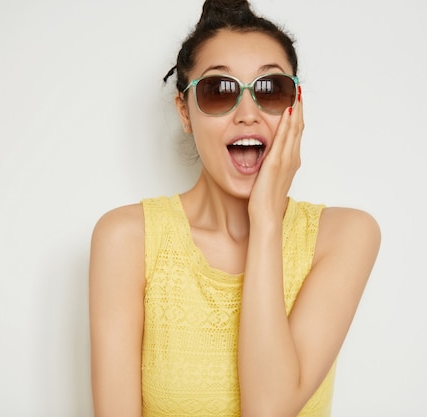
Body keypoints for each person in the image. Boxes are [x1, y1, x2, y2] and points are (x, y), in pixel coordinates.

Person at [89, 0, 380, 415]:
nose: (247, 114)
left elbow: (270, 410)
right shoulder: (127, 239)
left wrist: (265, 220)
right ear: (184, 112)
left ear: (296, 107)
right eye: (218, 90)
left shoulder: (345, 235)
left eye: (271, 90)